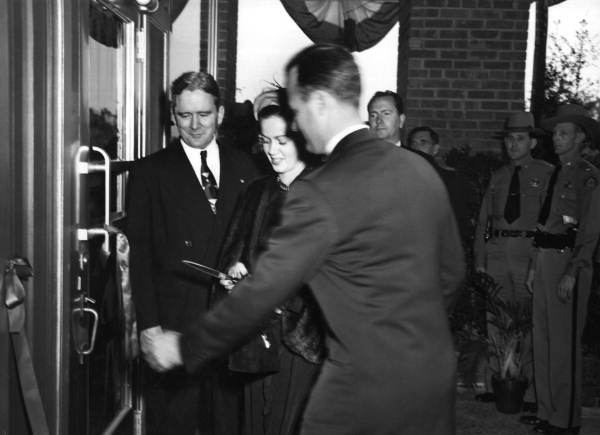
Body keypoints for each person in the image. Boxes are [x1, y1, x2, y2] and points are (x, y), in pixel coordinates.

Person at [157, 43, 465, 435]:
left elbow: (260, 293)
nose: (298, 125)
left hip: (359, 391)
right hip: (431, 378)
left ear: (319, 102)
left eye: (298, 111)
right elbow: (452, 275)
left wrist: (184, 347)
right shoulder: (419, 170)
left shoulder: (321, 190)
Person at [125, 71, 258, 435]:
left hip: (230, 326)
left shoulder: (248, 168)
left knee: (229, 423)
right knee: (174, 423)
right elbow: (140, 255)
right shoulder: (149, 172)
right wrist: (149, 328)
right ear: (173, 114)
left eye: (204, 114)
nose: (195, 125)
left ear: (220, 113)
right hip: (174, 326)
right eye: (185, 115)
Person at [214, 87, 323, 435]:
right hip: (256, 334)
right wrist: (234, 272)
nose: (272, 151)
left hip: (303, 337)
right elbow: (233, 252)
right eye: (265, 140)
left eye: (281, 141)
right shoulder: (256, 192)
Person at [520, 104, 600, 435]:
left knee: (563, 343)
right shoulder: (556, 173)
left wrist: (574, 270)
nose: (556, 139)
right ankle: (546, 409)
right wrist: (533, 264)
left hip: (569, 262)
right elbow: (545, 224)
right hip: (545, 259)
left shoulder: (587, 175)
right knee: (543, 337)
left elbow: (591, 230)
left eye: (563, 133)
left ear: (580, 137)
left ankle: (565, 419)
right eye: (554, 133)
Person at [472, 111, 554, 406]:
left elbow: (549, 224)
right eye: (509, 139)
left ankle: (529, 390)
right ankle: (499, 382)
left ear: (532, 142)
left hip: (527, 253)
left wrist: (538, 261)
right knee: (496, 319)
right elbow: (483, 223)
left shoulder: (546, 174)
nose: (513, 144)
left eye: (520, 139)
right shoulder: (498, 177)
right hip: (497, 252)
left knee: (528, 321)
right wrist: (480, 260)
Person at [407, 125, 475, 243]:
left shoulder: (450, 179)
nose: (416, 147)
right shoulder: (402, 178)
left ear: (435, 149)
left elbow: (458, 220)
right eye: (413, 143)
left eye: (423, 143)